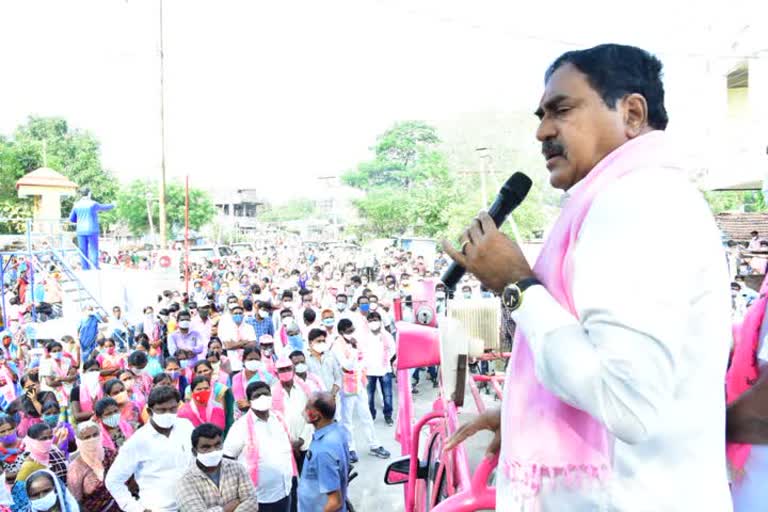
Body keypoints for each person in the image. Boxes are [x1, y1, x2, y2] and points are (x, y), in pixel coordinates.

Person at [442, 44, 732, 510]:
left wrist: (517, 286)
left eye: (561, 109)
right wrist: (526, 416)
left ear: (632, 113)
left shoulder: (637, 200)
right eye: (540, 115)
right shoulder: (631, 196)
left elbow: (626, 402)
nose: (541, 131)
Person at [105, 385, 194, 512]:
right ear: (150, 412)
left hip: (190, 504)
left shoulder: (186, 426)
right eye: (162, 410)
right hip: (158, 508)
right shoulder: (138, 441)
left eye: (172, 409)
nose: (168, 414)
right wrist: (136, 509)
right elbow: (113, 480)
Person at [223, 381, 295, 512]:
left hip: (284, 490)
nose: (262, 398)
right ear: (249, 401)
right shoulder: (240, 427)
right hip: (257, 497)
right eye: (257, 396)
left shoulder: (279, 419)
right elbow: (227, 458)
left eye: (265, 394)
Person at [333, 319, 389, 462]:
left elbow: (363, 360)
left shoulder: (355, 342)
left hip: (359, 384)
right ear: (341, 333)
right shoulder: (337, 346)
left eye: (352, 330)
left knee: (367, 416)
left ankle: (374, 445)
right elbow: (348, 366)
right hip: (346, 388)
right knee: (347, 421)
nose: (352, 333)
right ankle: (350, 449)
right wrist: (353, 352)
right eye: (348, 331)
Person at [175, 423, 258, 512]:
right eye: (206, 447)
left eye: (217, 445)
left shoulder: (237, 468)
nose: (213, 451)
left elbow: (252, 503)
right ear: (194, 452)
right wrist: (225, 509)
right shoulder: (186, 481)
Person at [297, 392, 349, 512]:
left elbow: (335, 502)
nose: (304, 410)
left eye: (307, 407)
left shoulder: (323, 451)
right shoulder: (337, 431)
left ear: (316, 416)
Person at [11, 423, 68, 511]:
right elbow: (20, 499)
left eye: (50, 437)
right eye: (44, 438)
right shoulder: (27, 465)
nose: (48, 441)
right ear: (32, 441)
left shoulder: (54, 451)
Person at [66, 421, 119, 511]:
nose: (92, 439)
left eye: (95, 435)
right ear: (78, 441)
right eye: (86, 438)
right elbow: (76, 502)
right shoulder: (76, 468)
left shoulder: (111, 454)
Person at [362, 312, 395, 425]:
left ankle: (388, 415)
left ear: (380, 321)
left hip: (384, 369)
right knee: (369, 395)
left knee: (387, 394)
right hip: (369, 370)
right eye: (370, 321)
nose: (373, 323)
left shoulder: (387, 336)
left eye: (375, 320)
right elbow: (360, 352)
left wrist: (385, 360)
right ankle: (371, 414)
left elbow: (392, 351)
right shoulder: (364, 336)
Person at [218, 305, 256, 373]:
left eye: (240, 313)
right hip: (232, 363)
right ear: (231, 315)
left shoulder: (249, 328)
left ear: (243, 315)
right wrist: (243, 342)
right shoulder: (226, 329)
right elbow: (227, 346)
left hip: (247, 362)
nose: (238, 315)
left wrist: (234, 344)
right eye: (235, 313)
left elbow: (252, 345)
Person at [305, 330, 340, 396]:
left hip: (333, 398)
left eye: (323, 341)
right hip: (315, 398)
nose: (322, 343)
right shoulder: (305, 358)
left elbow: (338, 378)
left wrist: (332, 394)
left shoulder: (330, 355)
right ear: (310, 343)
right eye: (319, 341)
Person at [69, 360, 102, 424]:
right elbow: (77, 415)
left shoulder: (103, 387)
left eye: (97, 370)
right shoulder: (76, 390)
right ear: (84, 372)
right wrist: (98, 413)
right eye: (91, 370)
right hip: (85, 426)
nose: (94, 373)